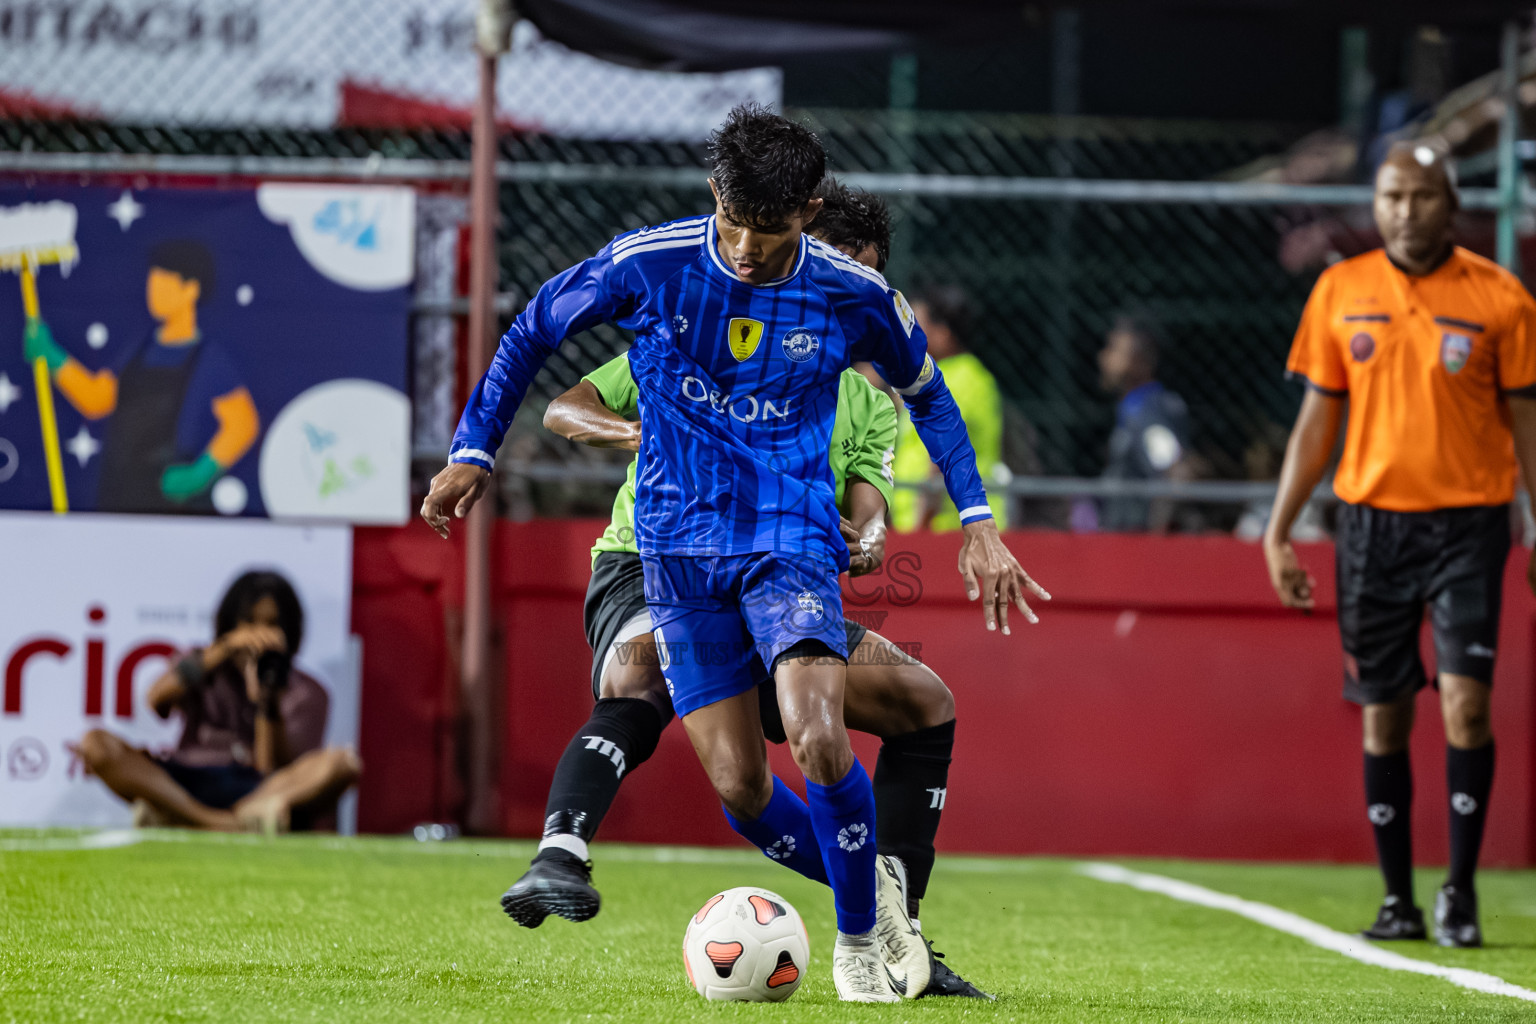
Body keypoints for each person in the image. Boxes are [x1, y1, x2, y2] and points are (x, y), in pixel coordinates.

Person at [421, 105, 1046, 1003]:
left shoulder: (853, 294)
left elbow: (930, 394)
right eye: (735, 222)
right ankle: (878, 897)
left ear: (809, 211)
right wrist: (474, 450)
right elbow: (532, 333)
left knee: (819, 735)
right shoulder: (651, 264)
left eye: (772, 229)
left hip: (788, 543)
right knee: (741, 785)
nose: (748, 250)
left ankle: (859, 945)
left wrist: (977, 520)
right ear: (714, 192)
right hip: (676, 551)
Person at [1263, 140, 1536, 948]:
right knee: (1383, 717)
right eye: (1392, 197)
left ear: (1451, 205)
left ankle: (1460, 893)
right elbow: (1316, 424)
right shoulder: (1340, 290)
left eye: (1422, 197)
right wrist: (1279, 529)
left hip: (1470, 525)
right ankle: (1398, 901)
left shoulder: (1502, 297)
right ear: (1375, 204)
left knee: (1466, 704)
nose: (1406, 212)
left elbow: (1529, 426)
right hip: (1371, 528)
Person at [74, 571, 361, 833]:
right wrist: (224, 649)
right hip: (187, 779)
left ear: (289, 631)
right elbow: (156, 700)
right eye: (249, 623)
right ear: (230, 623)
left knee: (342, 764)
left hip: (256, 789)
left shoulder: (306, 690)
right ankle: (218, 823)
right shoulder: (203, 661)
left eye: (272, 625)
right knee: (96, 744)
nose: (258, 636)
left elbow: (271, 769)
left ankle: (184, 819)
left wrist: (266, 701)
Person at [23, 240, 259, 512]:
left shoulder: (210, 360)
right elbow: (97, 400)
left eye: (164, 284)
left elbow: (243, 424)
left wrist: (200, 474)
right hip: (118, 493)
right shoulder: (137, 350)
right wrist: (52, 356)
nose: (154, 292)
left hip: (170, 504)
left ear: (191, 290)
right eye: (152, 283)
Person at [889, 285, 1009, 531]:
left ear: (943, 333)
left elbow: (939, 460)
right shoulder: (953, 374)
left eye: (914, 324)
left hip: (945, 528)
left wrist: (921, 525)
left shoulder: (955, 379)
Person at [1095, 313, 1192, 532]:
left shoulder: (1145, 409)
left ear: (1140, 362)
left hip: (1136, 540)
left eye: (1114, 350)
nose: (1104, 357)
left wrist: (1155, 539)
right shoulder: (1132, 407)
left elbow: (1174, 474)